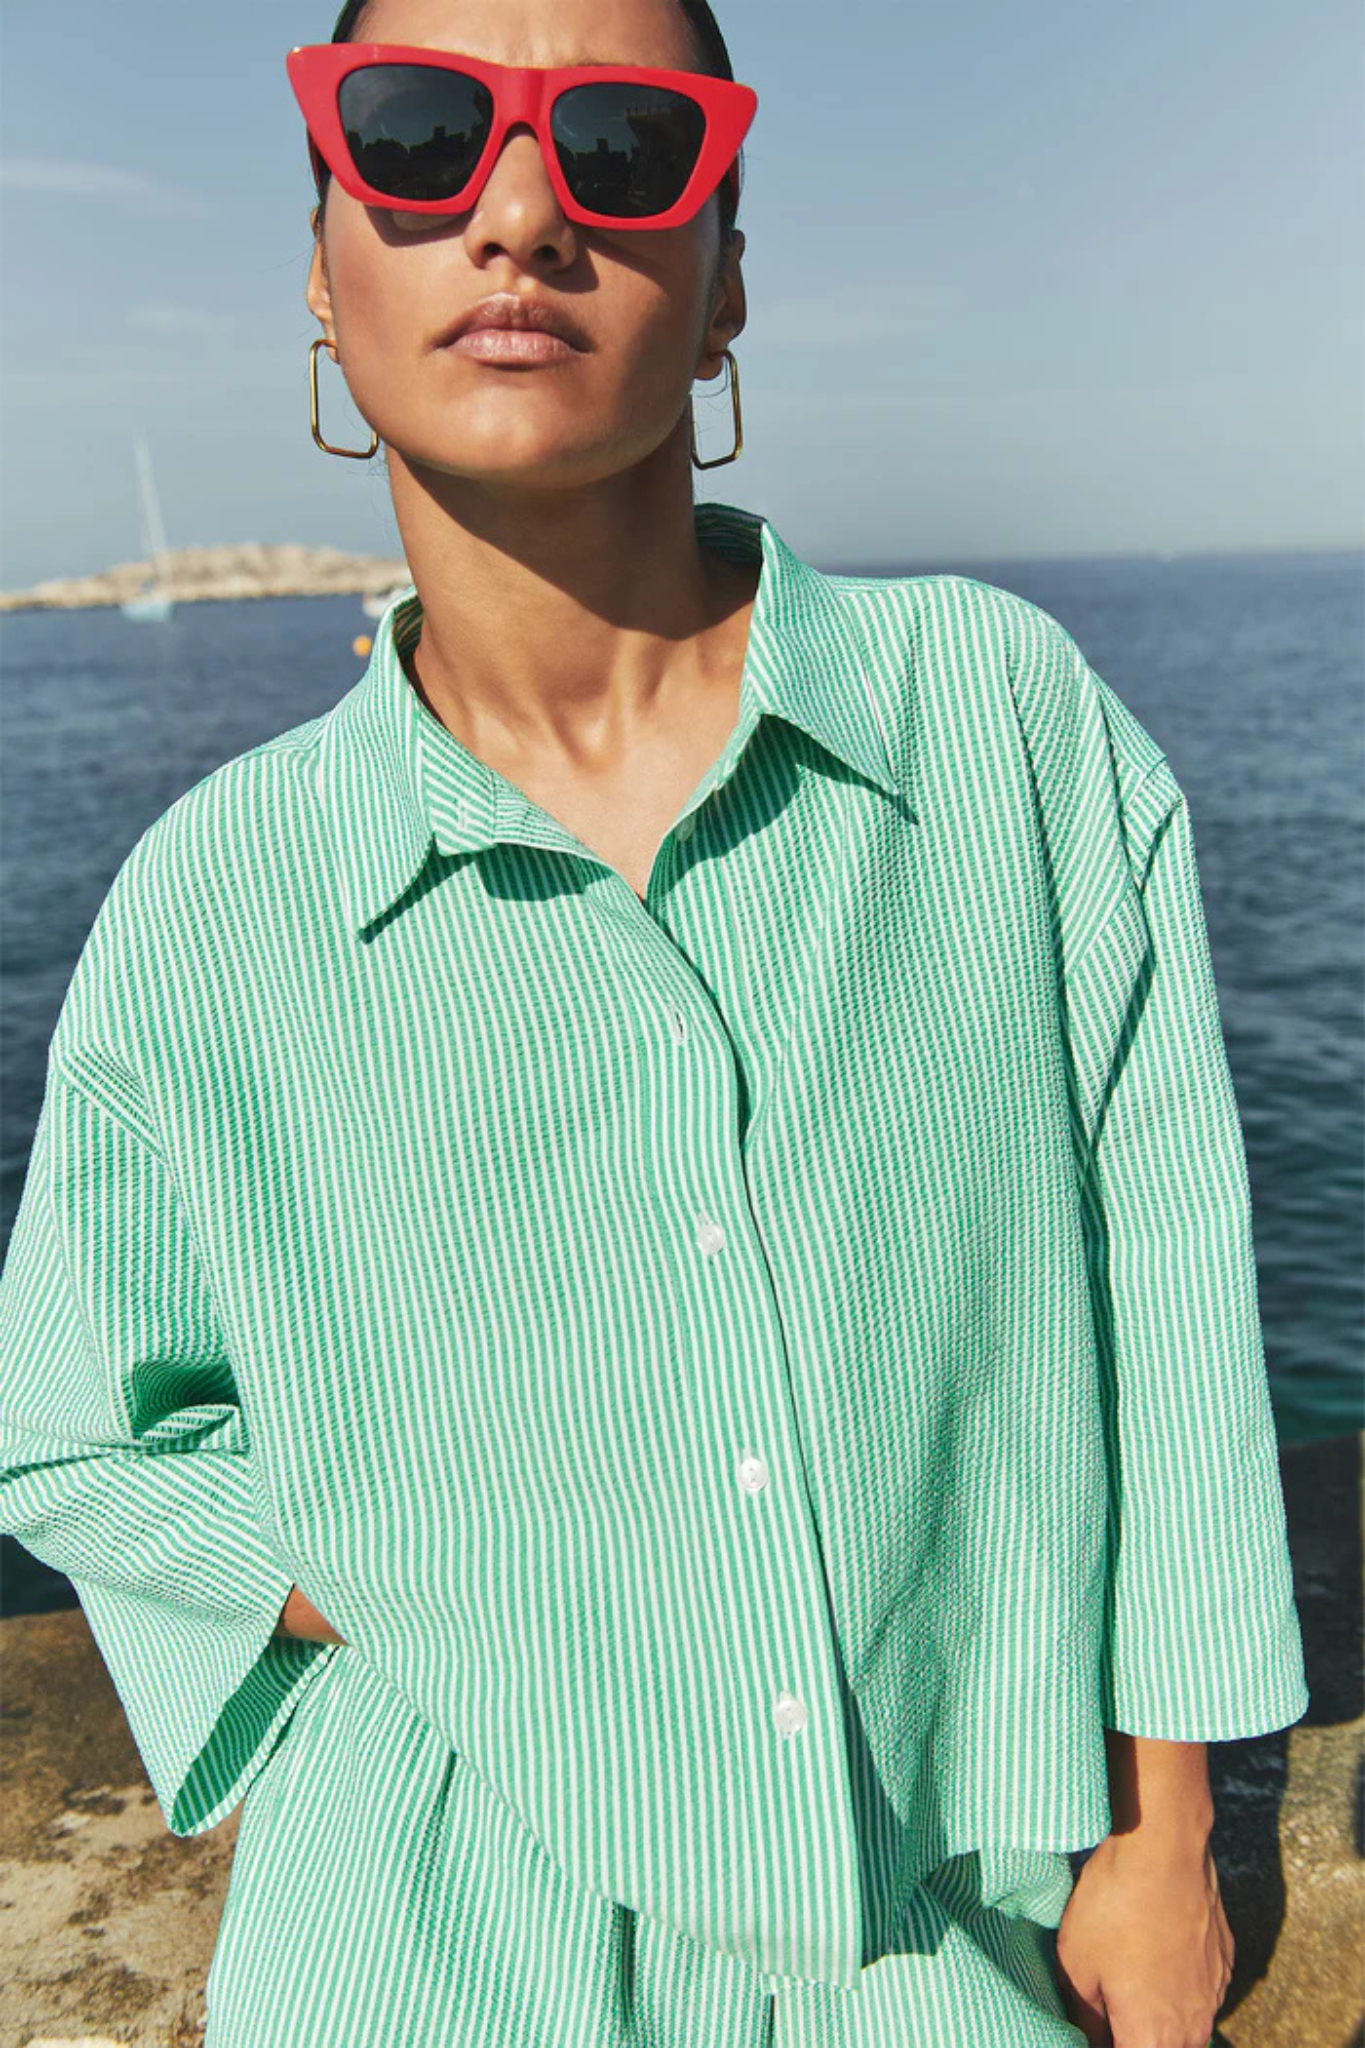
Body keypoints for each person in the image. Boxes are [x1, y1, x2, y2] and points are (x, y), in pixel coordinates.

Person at [0, 0, 1309, 2043]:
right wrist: (441, 1546)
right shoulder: (214, 906)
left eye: (622, 143)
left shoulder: (1006, 729)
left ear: (725, 288)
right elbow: (73, 1427)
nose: (518, 208)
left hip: (954, 1944)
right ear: (325, 276)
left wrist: (1159, 1839)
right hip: (425, 1958)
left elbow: (1165, 1300)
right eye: (419, 132)